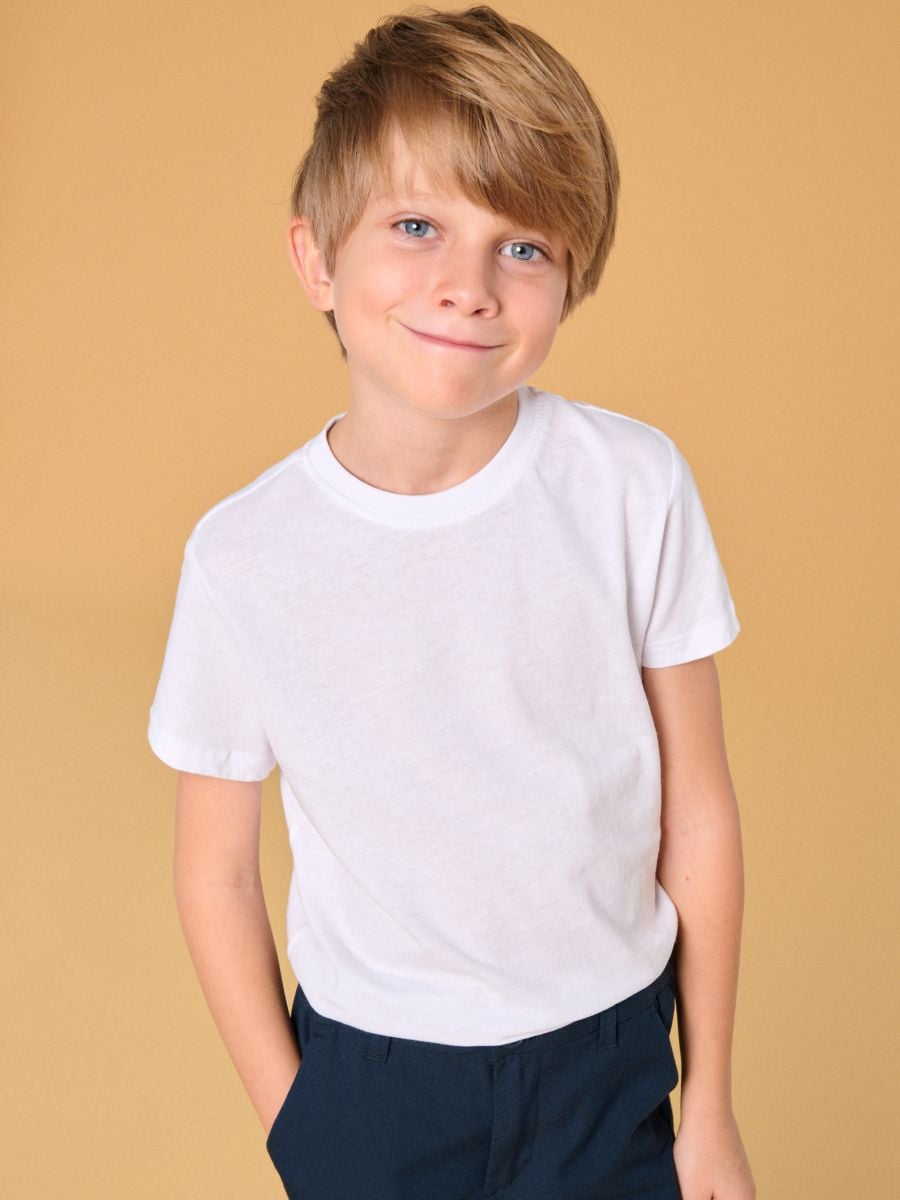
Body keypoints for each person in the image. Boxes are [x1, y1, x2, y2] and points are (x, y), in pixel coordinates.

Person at [147, 5, 756, 1198]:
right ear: (317, 259)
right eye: (417, 226)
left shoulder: (630, 486)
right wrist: (300, 1126)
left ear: (572, 277)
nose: (468, 286)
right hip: (375, 1082)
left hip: (609, 1060)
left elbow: (700, 813)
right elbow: (213, 870)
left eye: (522, 247)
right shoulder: (243, 556)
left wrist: (712, 1109)